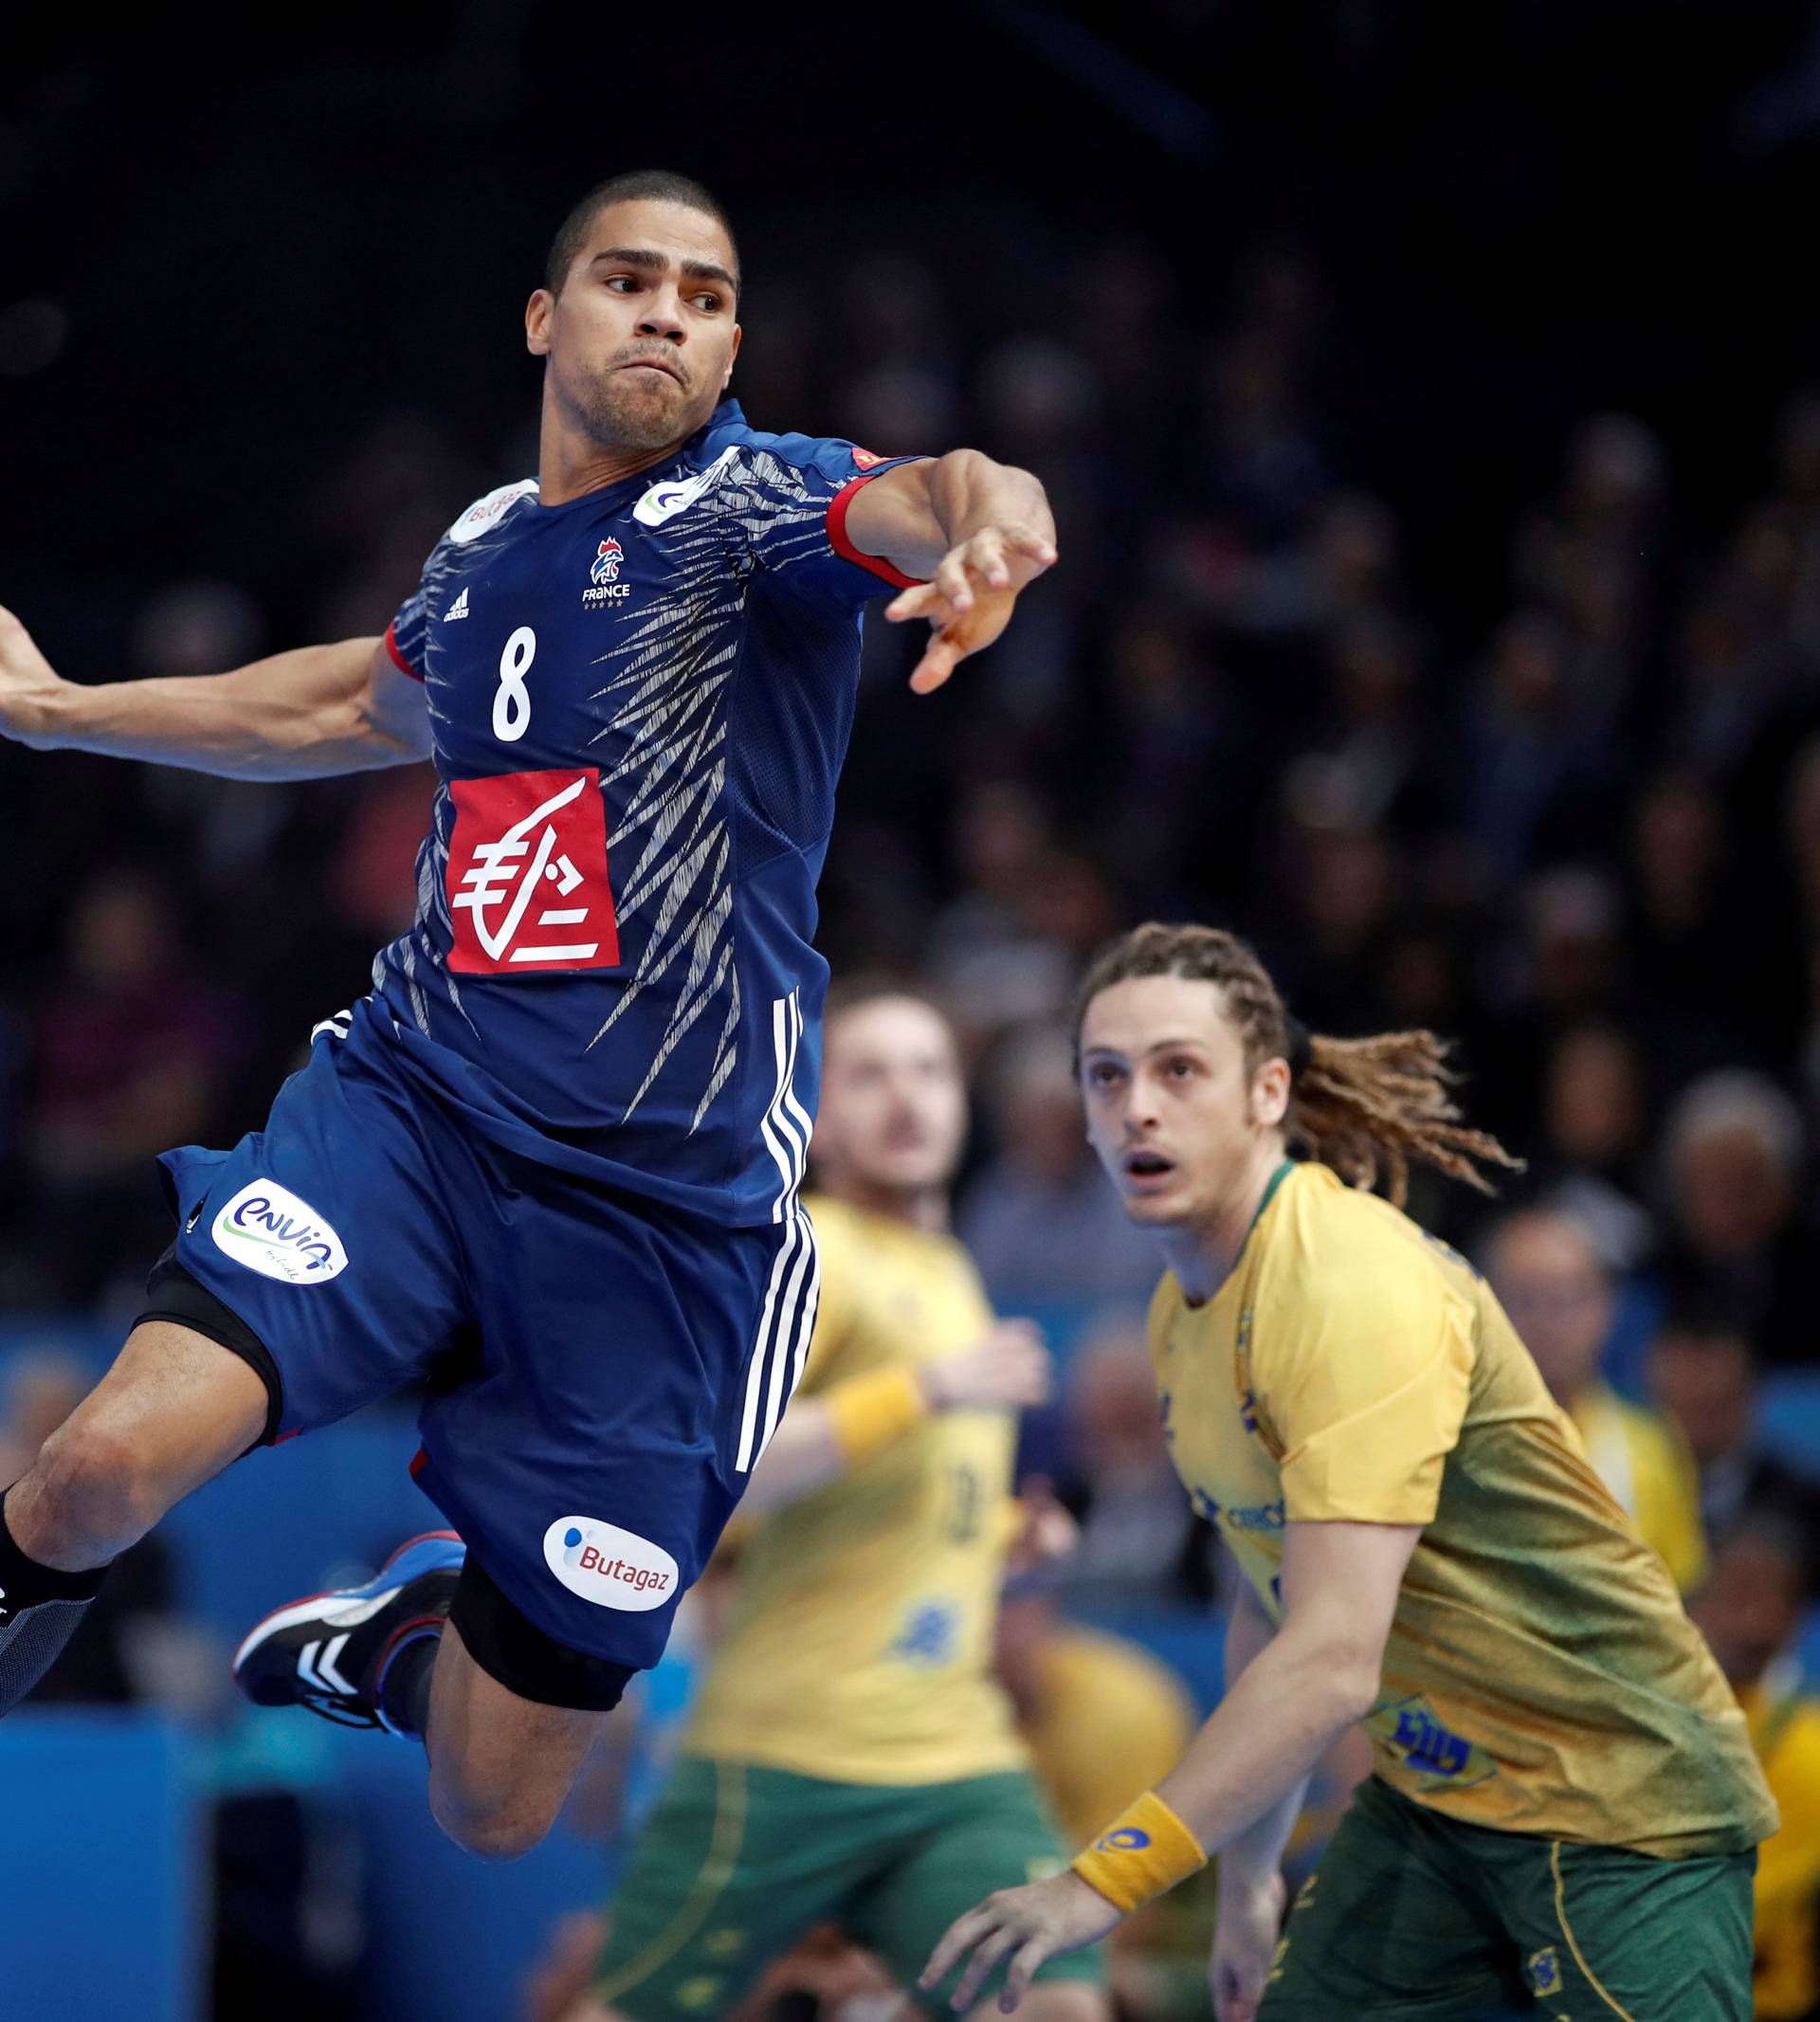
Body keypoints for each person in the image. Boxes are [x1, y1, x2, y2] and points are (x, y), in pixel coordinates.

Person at [0, 170, 1057, 1864]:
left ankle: (415, 1636)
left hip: (666, 1215)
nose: (669, 312)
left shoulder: (754, 508)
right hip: (420, 1108)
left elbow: (935, 491)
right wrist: (49, 708)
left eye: (706, 296)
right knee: (88, 1473)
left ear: (731, 350)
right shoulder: (487, 544)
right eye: (629, 280)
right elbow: (353, 695)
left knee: (494, 1806)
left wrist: (996, 526)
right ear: (545, 318)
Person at [920, 922, 1774, 2020]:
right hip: (1440, 1801)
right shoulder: (1181, 1321)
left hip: (1615, 1798)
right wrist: (1244, 1880)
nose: (1137, 1106)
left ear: (1268, 1091)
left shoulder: (1347, 1284)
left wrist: (1101, 1886)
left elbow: (1331, 1662)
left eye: (1180, 1070)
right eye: (1107, 1075)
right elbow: (1270, 1604)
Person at [549, 983, 1105, 2022]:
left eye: (930, 1071)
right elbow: (712, 1478)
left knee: (1055, 2007)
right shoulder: (808, 1257)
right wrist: (923, 1391)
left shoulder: (947, 1269)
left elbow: (878, 1509)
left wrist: (999, 1540)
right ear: (814, 1111)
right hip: (784, 1756)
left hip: (954, 1756)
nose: (907, 1097)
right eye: (869, 1073)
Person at [1483, 1206, 1705, 1590]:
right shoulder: (1444, 1434)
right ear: (1482, 1305)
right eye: (1524, 1298)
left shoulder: (1650, 1445)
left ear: (1607, 1307)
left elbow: (1678, 1596)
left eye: (1568, 1298)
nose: (1546, 1320)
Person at [1690, 1512, 1820, 2022]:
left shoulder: (1806, 1745)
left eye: (1774, 1599)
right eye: (1736, 1592)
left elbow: (1748, 1912)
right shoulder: (1640, 1720)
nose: (1752, 1619)